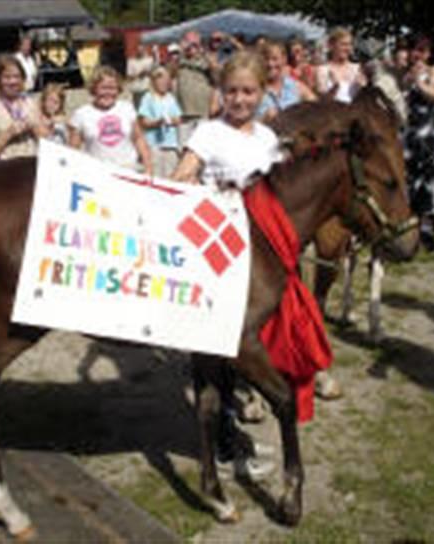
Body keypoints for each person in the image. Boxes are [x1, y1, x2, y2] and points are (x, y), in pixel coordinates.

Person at [171, 51, 279, 479]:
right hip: (217, 253)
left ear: (261, 93)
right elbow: (181, 178)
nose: (239, 99)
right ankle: (222, 445)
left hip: (259, 256)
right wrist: (214, 189)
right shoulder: (208, 132)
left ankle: (229, 437)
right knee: (217, 353)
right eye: (232, 90)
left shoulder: (268, 139)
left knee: (246, 349)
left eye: (248, 91)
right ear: (221, 92)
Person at [402, 35, 434, 248]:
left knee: (429, 181)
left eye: (423, 50)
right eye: (415, 49)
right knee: (409, 180)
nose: (418, 54)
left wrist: (419, 83)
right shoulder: (402, 74)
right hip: (408, 135)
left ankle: (427, 229)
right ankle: (409, 231)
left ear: (429, 54)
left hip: (430, 135)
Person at [68, 65, 152, 174]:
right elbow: (73, 150)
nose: (108, 93)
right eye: (103, 88)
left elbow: (139, 139)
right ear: (94, 88)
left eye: (112, 88)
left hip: (128, 171)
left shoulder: (127, 108)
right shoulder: (81, 114)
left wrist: (148, 167)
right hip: (98, 174)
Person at [0, 54, 46, 160]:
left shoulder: (31, 104)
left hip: (32, 165)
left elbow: (47, 143)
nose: (12, 82)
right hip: (6, 169)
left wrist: (34, 128)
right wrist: (8, 134)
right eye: (7, 77)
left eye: (16, 76)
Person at [137, 66, 182, 178]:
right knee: (155, 177)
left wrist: (170, 121)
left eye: (166, 80)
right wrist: (157, 123)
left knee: (172, 177)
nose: (164, 83)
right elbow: (143, 121)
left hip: (171, 145)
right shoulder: (148, 98)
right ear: (154, 81)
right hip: (154, 145)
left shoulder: (170, 98)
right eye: (160, 79)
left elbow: (178, 119)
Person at [258, 40, 316, 122]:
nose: (270, 64)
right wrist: (264, 119)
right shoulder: (255, 88)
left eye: (275, 59)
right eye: (266, 59)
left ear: (284, 60)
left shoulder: (295, 86)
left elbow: (316, 106)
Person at [176, 31, 216, 144]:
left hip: (202, 112)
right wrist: (181, 52)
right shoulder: (179, 60)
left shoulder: (206, 60)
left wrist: (202, 52)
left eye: (194, 43)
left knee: (203, 147)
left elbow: (217, 77)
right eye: (188, 42)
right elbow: (169, 72)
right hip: (183, 114)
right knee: (184, 149)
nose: (191, 47)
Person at [315, 28, 366, 103]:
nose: (347, 48)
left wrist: (363, 88)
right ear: (331, 46)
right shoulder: (323, 70)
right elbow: (322, 102)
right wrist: (335, 88)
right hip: (334, 113)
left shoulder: (357, 68)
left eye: (350, 44)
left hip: (356, 112)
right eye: (343, 44)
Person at [126, 44, 155, 108]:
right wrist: (139, 75)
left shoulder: (149, 60)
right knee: (137, 108)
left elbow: (154, 74)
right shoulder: (131, 61)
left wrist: (148, 73)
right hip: (136, 90)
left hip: (146, 88)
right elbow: (129, 77)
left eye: (142, 49)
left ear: (144, 50)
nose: (140, 51)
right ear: (136, 50)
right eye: (138, 50)